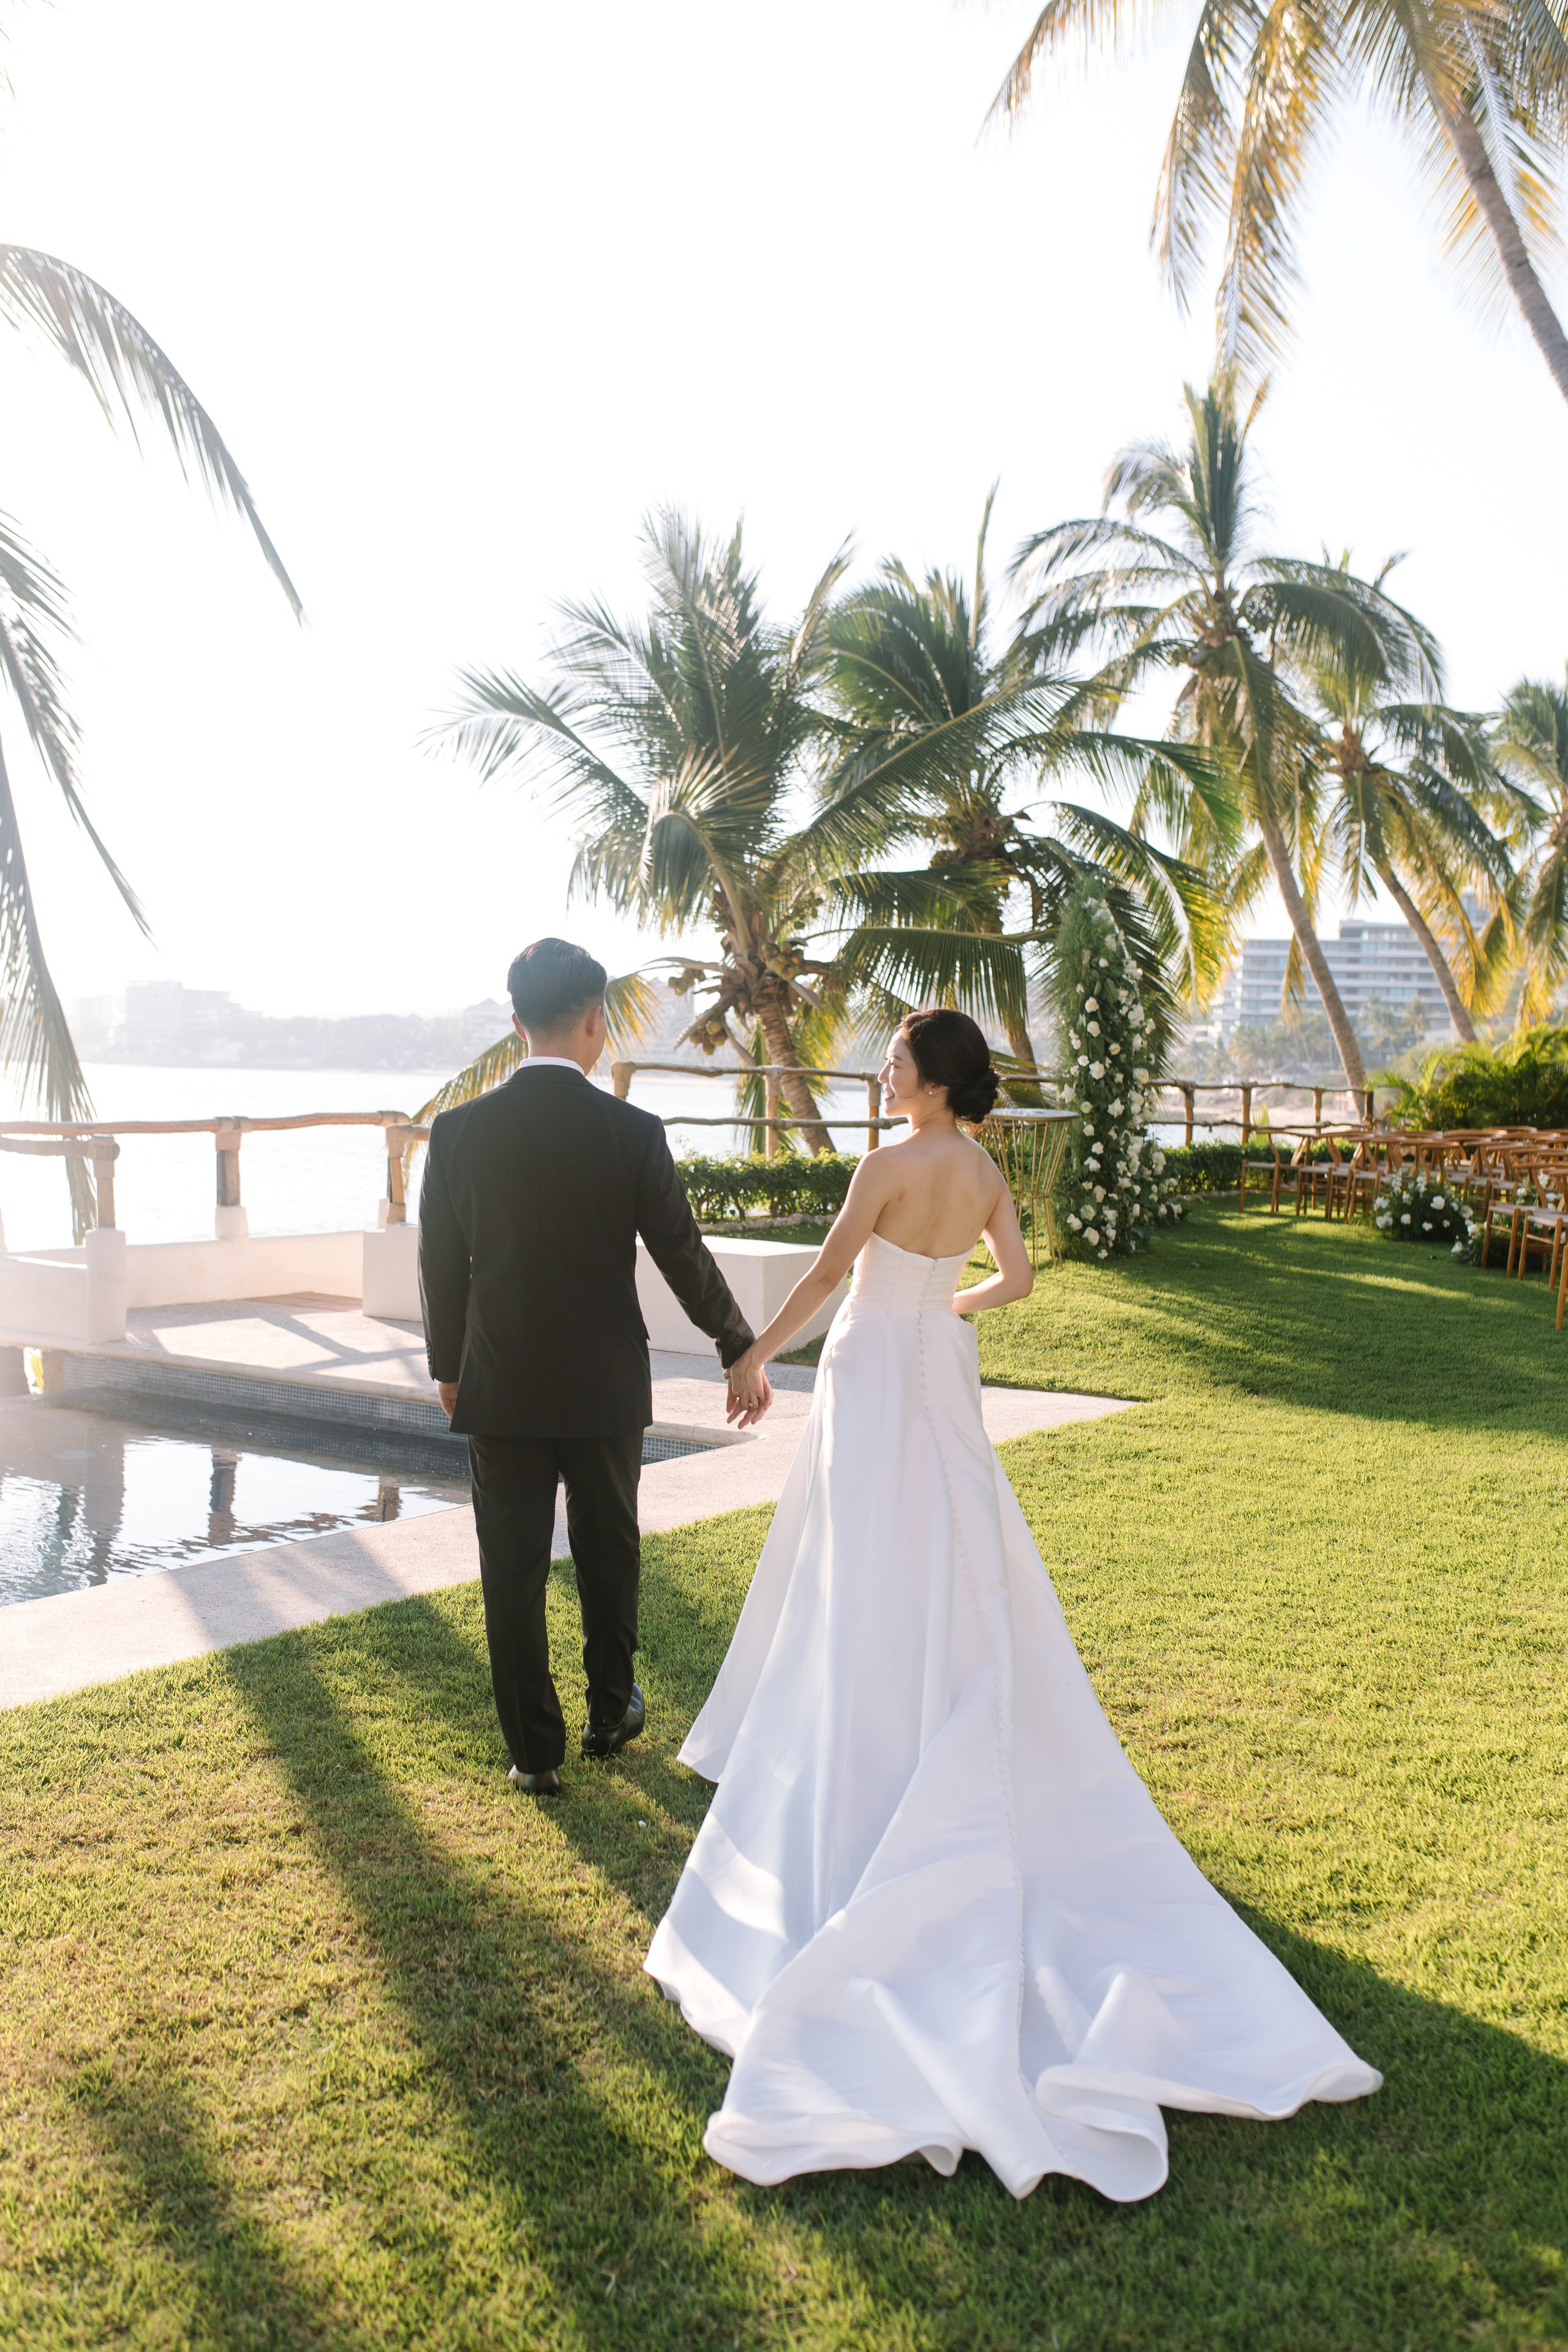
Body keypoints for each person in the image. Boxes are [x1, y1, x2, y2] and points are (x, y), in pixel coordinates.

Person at [647, 1007, 1381, 2202]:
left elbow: (832, 1276)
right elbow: (1020, 1279)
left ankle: (877, 1731)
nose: (882, 1071)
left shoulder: (885, 1164)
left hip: (874, 1372)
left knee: (865, 1557)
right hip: (939, 1369)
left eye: (893, 1059)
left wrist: (754, 1359)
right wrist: (954, 1312)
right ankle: (944, 1698)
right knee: (952, 1549)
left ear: (928, 1080)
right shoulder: (977, 1165)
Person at [419, 938, 769, 1800]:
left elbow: (438, 1264)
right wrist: (737, 1346)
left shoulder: (458, 1131)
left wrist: (448, 1368)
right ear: (592, 1021)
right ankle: (611, 1710)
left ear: (514, 1024)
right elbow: (683, 1256)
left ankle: (534, 1753)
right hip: (606, 1386)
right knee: (609, 1553)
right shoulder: (631, 1131)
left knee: (512, 1567)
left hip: (497, 1382)